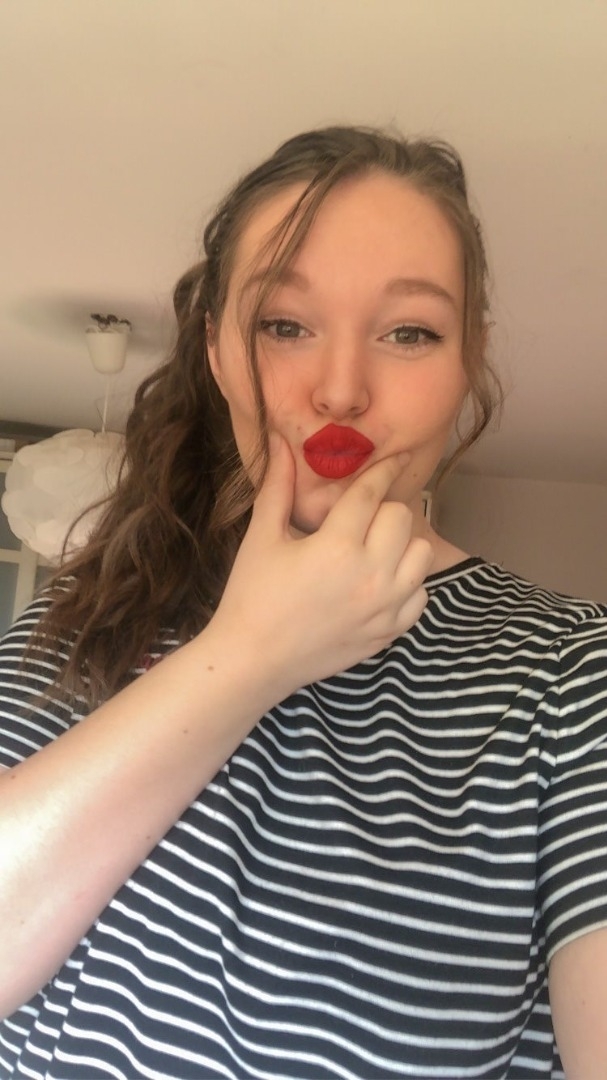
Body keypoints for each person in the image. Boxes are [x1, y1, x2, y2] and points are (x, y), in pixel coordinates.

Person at [1, 125, 607, 1080]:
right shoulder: (85, 614)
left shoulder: (573, 672)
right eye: (285, 325)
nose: (340, 389)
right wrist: (248, 656)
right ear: (216, 351)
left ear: (468, 358)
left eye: (409, 332)